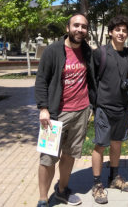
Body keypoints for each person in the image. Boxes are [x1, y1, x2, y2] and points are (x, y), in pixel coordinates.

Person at [35, 13, 96, 207]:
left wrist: (91, 107)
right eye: (76, 25)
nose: (80, 29)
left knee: (70, 154)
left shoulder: (87, 51)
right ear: (67, 28)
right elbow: (41, 80)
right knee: (47, 158)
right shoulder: (53, 51)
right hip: (54, 114)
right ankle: (43, 198)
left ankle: (62, 190)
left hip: (81, 112)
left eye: (84, 26)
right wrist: (43, 108)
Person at [91, 15, 128, 204]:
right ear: (110, 32)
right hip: (104, 108)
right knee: (100, 146)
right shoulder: (100, 53)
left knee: (117, 143)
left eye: (124, 30)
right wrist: (95, 104)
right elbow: (91, 80)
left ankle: (114, 177)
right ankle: (97, 185)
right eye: (118, 30)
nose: (121, 33)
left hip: (123, 107)